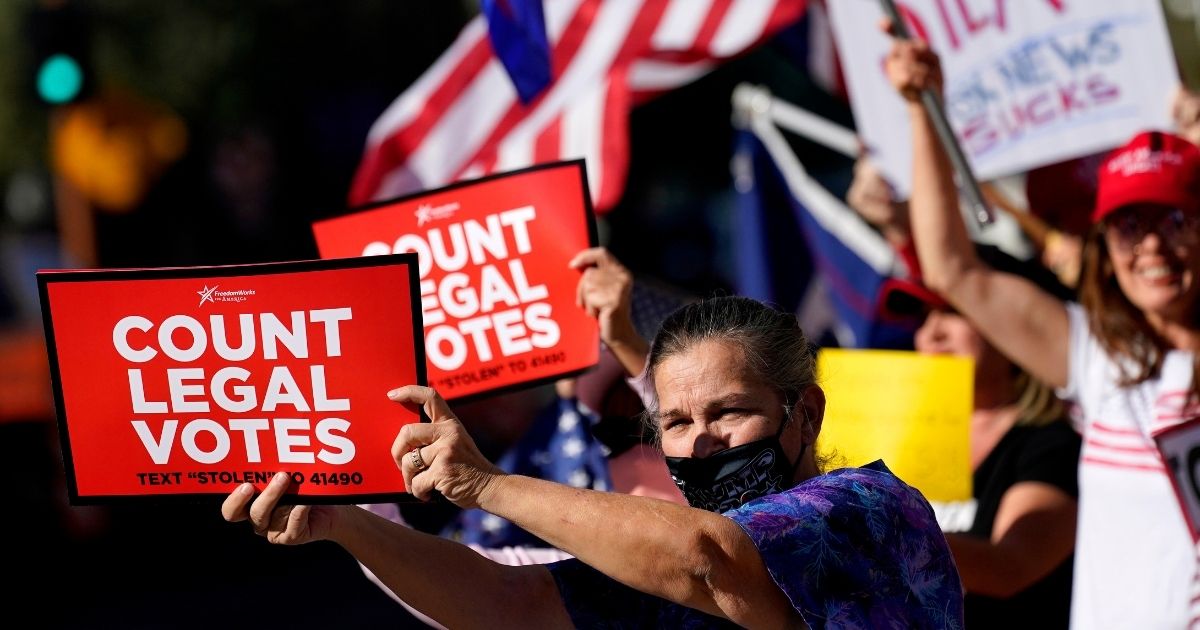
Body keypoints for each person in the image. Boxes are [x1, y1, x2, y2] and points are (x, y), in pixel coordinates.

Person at [222, 292, 965, 628]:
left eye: (729, 413)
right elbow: (513, 607)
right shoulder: (661, 554)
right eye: (676, 421)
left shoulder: (869, 507)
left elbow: (711, 554)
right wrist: (344, 524)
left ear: (805, 413)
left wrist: (486, 485)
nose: (701, 442)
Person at [885, 25, 1200, 629]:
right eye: (1130, 225)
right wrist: (921, 112)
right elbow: (952, 269)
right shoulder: (1095, 356)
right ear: (1105, 246)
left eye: (1177, 218)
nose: (1153, 246)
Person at [886, 268, 1081, 629]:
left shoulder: (1053, 444)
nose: (933, 333)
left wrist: (886, 533)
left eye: (953, 312)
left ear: (1012, 328)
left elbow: (1011, 567)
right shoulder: (894, 433)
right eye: (924, 317)